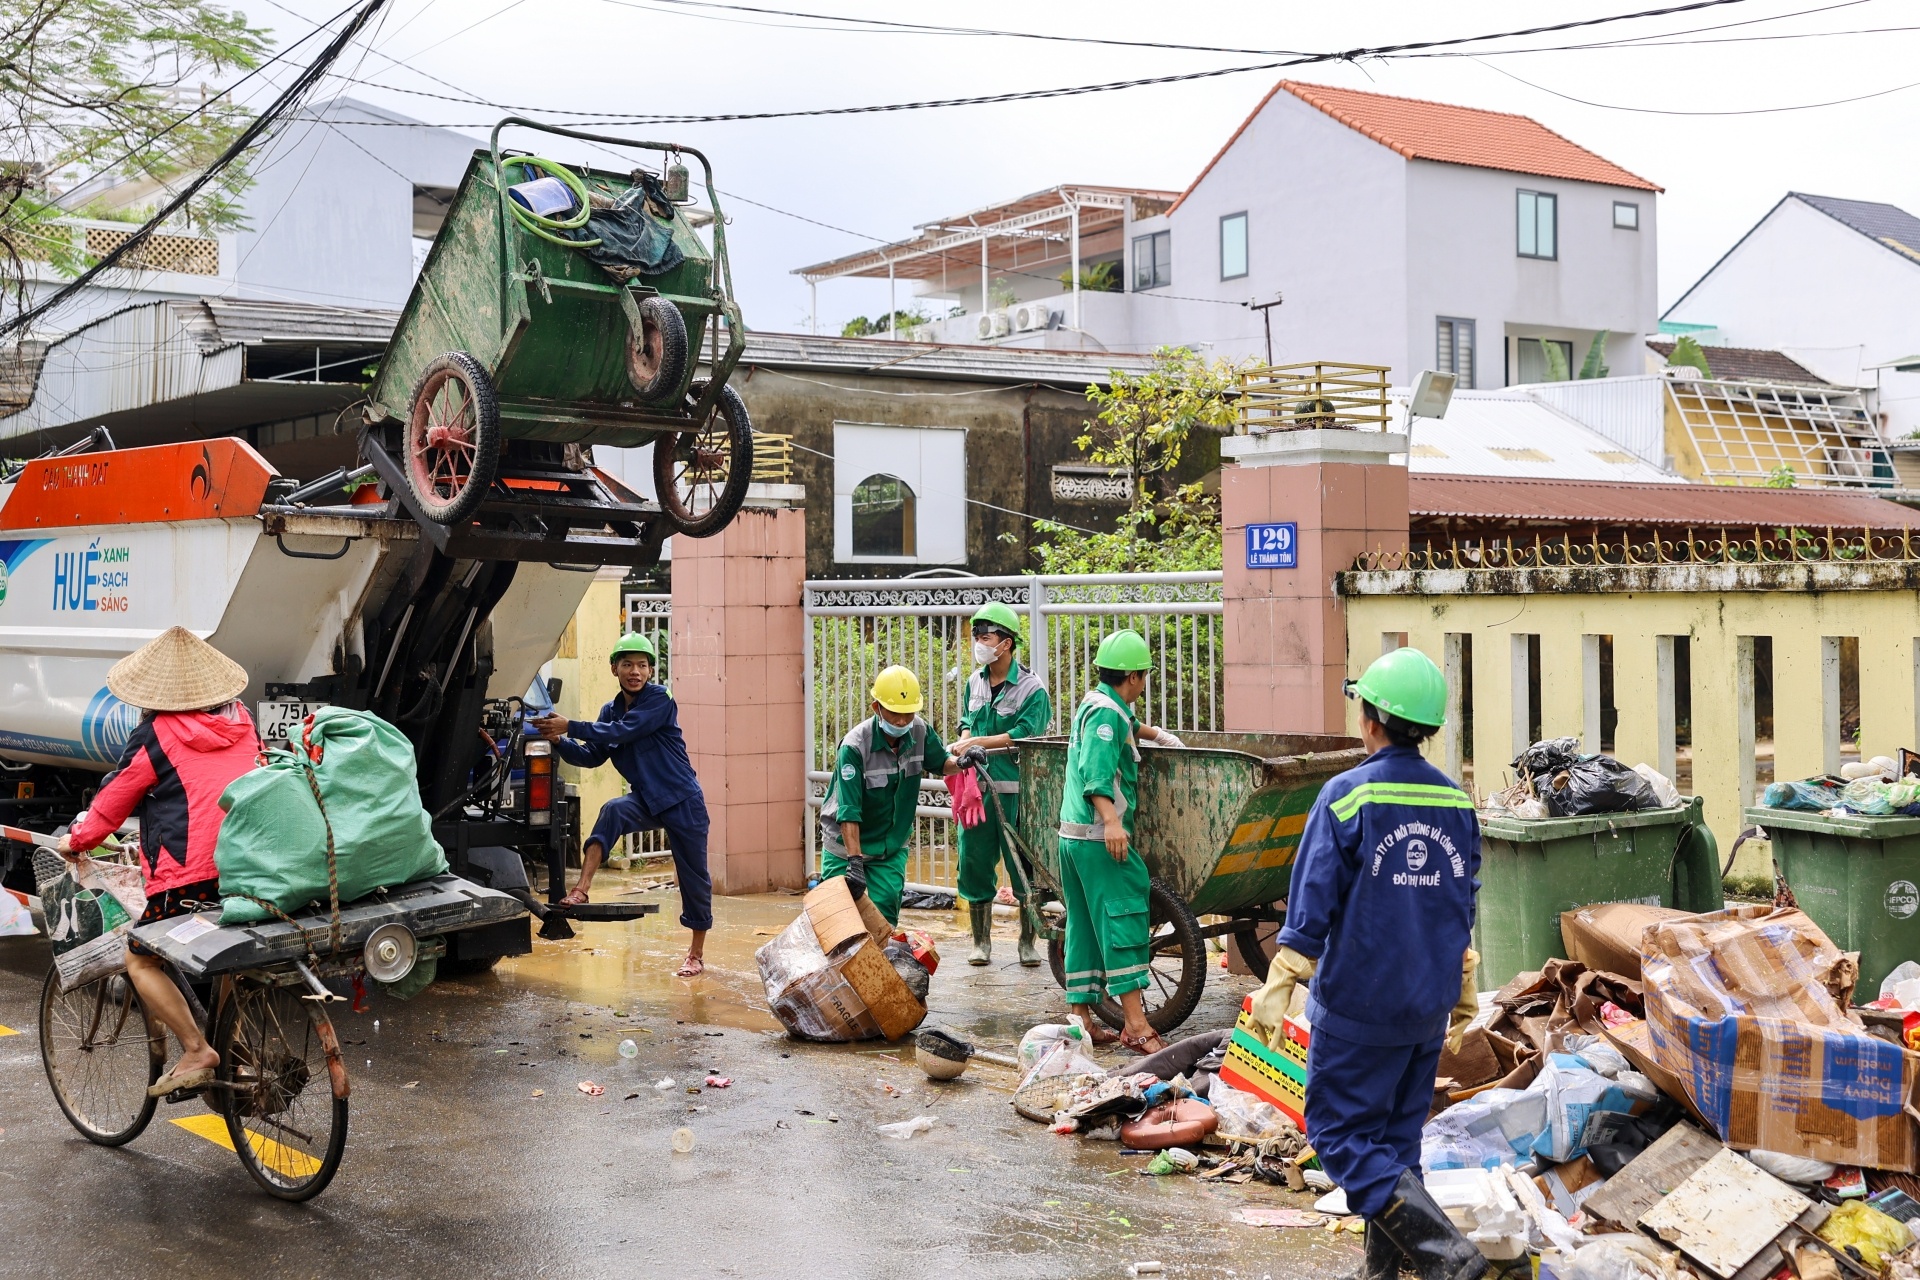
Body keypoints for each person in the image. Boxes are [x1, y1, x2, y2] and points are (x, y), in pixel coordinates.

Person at [1243, 647, 1483, 1280]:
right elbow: (1462, 904)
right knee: (1397, 1143)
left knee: (1338, 1134)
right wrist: (1462, 989)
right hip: (1425, 1007)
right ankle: (1384, 1272)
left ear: (1370, 719)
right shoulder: (1457, 804)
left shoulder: (1346, 797)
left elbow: (1311, 900)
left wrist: (1278, 983)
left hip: (1359, 1005)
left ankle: (1445, 1253)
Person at [57, 627, 261, 1098]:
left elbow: (114, 800)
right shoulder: (242, 720)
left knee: (140, 957)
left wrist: (78, 839)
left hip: (191, 875)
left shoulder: (157, 733)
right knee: (229, 957)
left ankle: (197, 1050)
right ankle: (232, 1050)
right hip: (250, 863)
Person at [531, 632, 713, 978]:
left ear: (650, 671)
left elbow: (626, 730)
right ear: (614, 668)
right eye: (627, 664)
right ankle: (581, 890)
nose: (635, 672)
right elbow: (591, 756)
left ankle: (695, 954)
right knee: (613, 810)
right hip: (647, 799)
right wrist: (559, 741)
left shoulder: (660, 699)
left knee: (694, 879)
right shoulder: (610, 711)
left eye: (642, 665)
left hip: (683, 800)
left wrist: (572, 725)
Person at [1055, 629, 1183, 1056]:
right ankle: (1135, 1025)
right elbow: (1095, 772)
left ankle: (1080, 1021)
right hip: (1097, 835)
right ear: (1132, 677)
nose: (1143, 683)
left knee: (1084, 926)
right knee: (1124, 914)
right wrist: (1111, 821)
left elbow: (1125, 723)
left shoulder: (1097, 703)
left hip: (1073, 837)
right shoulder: (1107, 716)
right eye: (1143, 676)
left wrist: (1157, 734)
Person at [946, 602, 1051, 967]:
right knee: (973, 861)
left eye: (986, 636)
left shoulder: (1031, 689)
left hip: (1017, 792)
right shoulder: (974, 682)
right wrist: (965, 740)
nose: (979, 642)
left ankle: (1027, 941)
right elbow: (966, 720)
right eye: (976, 635)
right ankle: (981, 942)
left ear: (1006, 643)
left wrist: (979, 743)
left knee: (1024, 867)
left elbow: (1025, 735)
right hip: (977, 791)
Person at [819, 665, 948, 927]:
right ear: (876, 707)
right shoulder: (855, 746)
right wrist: (854, 862)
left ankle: (878, 954)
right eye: (894, 713)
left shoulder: (920, 731)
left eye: (908, 713)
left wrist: (965, 760)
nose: (902, 721)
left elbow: (943, 763)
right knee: (837, 917)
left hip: (889, 844)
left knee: (885, 916)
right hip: (845, 845)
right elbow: (849, 811)